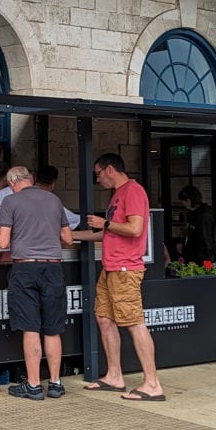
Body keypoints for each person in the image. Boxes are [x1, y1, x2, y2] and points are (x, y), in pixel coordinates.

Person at [72, 153, 164, 402]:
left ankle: (152, 384)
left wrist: (106, 223)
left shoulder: (133, 191)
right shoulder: (118, 195)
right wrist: (75, 236)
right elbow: (109, 234)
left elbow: (134, 229)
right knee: (104, 318)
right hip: (111, 268)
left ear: (109, 169)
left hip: (125, 269)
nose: (98, 179)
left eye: (98, 173)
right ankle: (114, 376)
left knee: (134, 322)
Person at [0, 166, 74, 400]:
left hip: (25, 268)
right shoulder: (53, 200)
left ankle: (33, 386)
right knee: (52, 328)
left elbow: (2, 242)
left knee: (31, 328)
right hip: (53, 267)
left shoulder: (11, 202)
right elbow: (68, 239)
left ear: (11, 183)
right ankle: (55, 383)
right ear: (30, 179)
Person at [177, 184, 216, 263]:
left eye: (183, 201)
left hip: (201, 259)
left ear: (188, 200)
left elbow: (206, 241)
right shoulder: (192, 214)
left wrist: (207, 261)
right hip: (193, 256)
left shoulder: (203, 216)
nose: (183, 204)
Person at [34, 164, 81, 231]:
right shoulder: (51, 201)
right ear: (53, 184)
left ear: (35, 179)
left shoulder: (22, 197)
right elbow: (75, 220)